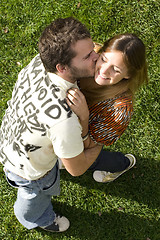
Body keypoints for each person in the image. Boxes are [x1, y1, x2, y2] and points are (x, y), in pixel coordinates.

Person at [0, 17, 102, 233]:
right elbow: (77, 169)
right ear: (62, 68)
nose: (97, 57)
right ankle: (37, 218)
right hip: (29, 170)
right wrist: (101, 140)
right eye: (88, 56)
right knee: (34, 196)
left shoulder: (40, 61)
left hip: (12, 135)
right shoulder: (63, 120)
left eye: (92, 49)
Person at [66, 33, 148, 183]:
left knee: (94, 159)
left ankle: (123, 164)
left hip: (85, 141)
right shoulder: (88, 55)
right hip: (65, 130)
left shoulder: (119, 110)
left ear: (128, 75)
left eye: (115, 70)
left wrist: (84, 116)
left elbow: (92, 144)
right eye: (103, 59)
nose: (103, 71)